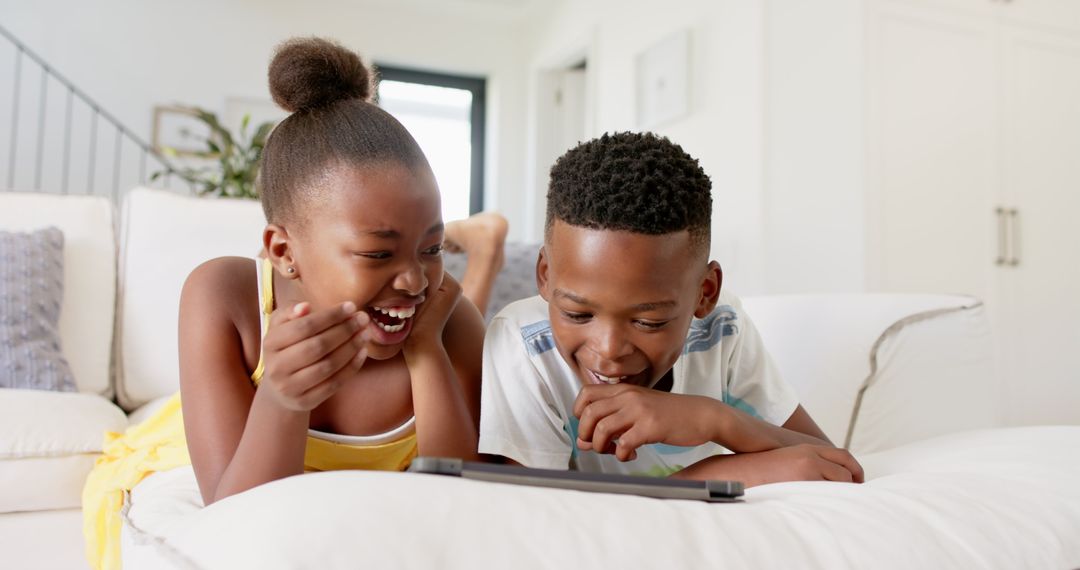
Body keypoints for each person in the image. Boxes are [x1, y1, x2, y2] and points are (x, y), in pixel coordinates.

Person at [82, 37, 502, 570]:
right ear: (283, 251)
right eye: (378, 253)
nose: (416, 280)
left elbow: (461, 499)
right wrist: (282, 398)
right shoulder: (223, 298)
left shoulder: (446, 316)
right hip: (236, 473)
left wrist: (424, 353)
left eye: (433, 247)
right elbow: (235, 516)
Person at [478, 132, 865, 485]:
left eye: (649, 321)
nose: (609, 348)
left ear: (705, 292)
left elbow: (831, 463)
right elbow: (534, 513)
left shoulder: (721, 328)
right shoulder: (524, 346)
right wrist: (694, 479)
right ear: (544, 275)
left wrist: (713, 419)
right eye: (578, 315)